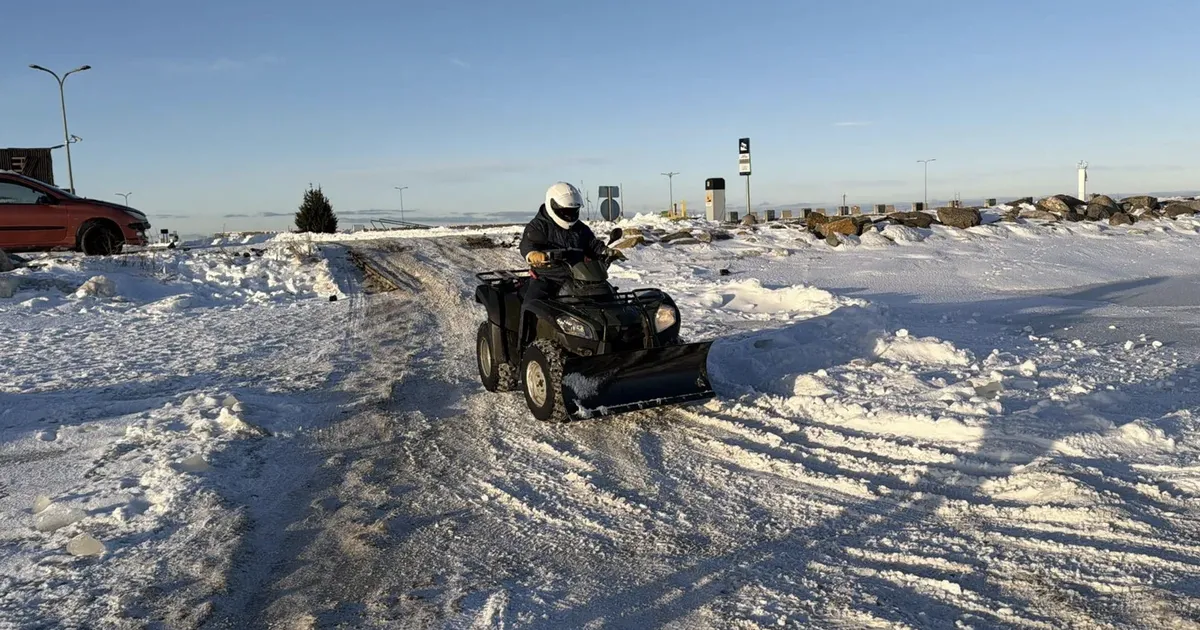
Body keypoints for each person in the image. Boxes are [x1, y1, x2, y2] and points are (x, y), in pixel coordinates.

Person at [519, 181, 624, 304]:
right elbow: (527, 244)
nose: (569, 216)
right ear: (552, 205)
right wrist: (533, 254)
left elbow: (591, 243)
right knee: (531, 305)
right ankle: (524, 323)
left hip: (581, 277)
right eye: (565, 212)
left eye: (573, 211)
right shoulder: (538, 226)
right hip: (549, 278)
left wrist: (606, 251)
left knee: (611, 298)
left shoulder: (580, 228)